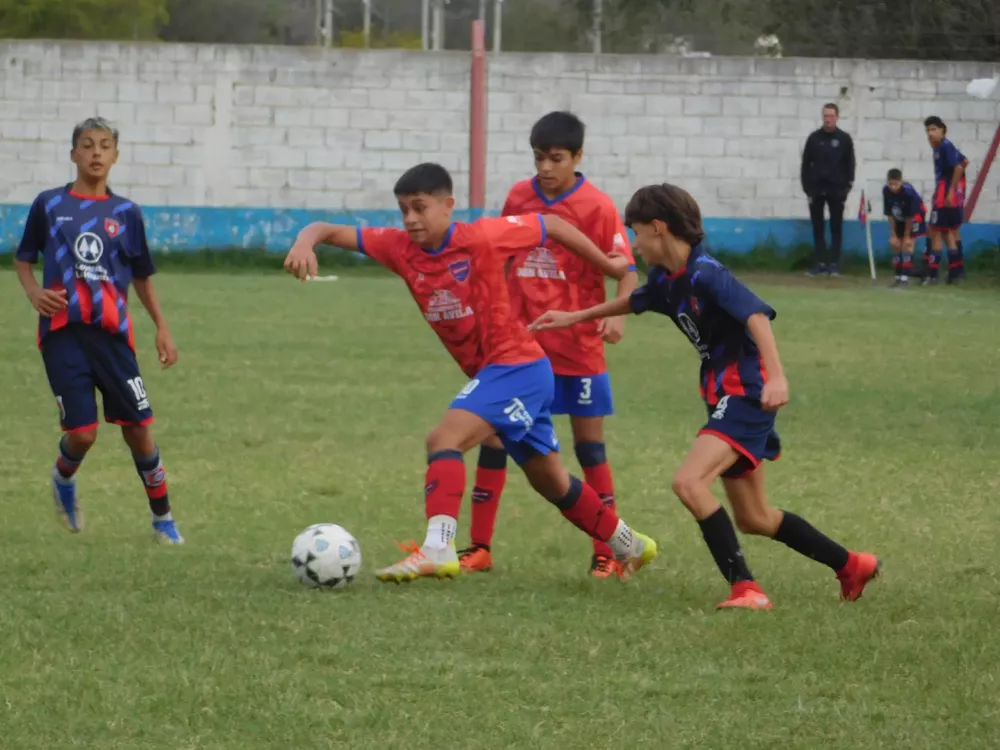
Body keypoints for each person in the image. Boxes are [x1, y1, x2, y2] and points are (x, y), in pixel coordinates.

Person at [282, 163, 657, 584]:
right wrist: (304, 241)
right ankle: (632, 545)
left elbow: (550, 223)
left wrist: (609, 267)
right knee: (551, 481)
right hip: (504, 372)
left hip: (518, 366)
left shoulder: (481, 237)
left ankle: (438, 548)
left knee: (444, 439)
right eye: (404, 209)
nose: (410, 219)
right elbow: (325, 229)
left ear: (448, 206)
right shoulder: (400, 247)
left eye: (420, 208)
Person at [530, 183, 880, 610]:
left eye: (637, 232)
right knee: (755, 518)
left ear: (659, 228)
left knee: (688, 482)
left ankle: (745, 589)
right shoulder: (668, 280)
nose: (634, 244)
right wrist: (575, 317)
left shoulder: (706, 273)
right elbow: (634, 301)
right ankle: (851, 565)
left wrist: (778, 376)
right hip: (722, 397)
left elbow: (755, 315)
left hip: (746, 394)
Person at [460, 111, 638, 579]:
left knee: (589, 448)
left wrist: (620, 313)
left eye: (556, 158)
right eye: (539, 158)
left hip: (578, 345)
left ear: (578, 157)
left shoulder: (597, 207)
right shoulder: (520, 196)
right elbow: (497, 252)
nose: (545, 168)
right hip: (519, 346)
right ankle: (478, 547)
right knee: (494, 437)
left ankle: (609, 550)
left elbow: (627, 267)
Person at [13, 117, 182, 543]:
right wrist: (34, 291)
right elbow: (23, 257)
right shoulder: (49, 204)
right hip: (63, 333)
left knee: (138, 430)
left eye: (105, 146)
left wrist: (162, 327)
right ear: (73, 154)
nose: (96, 153)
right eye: (87, 145)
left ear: (115, 156)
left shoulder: (126, 213)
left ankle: (163, 520)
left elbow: (142, 275)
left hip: (113, 337)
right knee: (83, 434)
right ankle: (63, 479)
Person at [801, 103, 855, 277]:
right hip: (816, 190)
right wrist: (807, 188)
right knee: (818, 227)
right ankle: (820, 263)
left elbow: (850, 164)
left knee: (835, 227)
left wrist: (846, 187)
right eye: (825, 116)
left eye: (831, 116)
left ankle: (834, 264)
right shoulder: (814, 138)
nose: (828, 119)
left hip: (837, 190)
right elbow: (805, 165)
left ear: (837, 117)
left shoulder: (844, 139)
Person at [924, 116, 969, 285]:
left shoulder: (945, 147)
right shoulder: (941, 147)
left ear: (943, 130)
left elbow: (958, 166)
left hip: (945, 194)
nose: (930, 133)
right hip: (943, 193)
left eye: (934, 129)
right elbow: (964, 161)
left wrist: (951, 191)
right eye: (928, 130)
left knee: (936, 230)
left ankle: (933, 274)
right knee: (947, 232)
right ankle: (955, 273)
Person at [882, 168, 927, 288]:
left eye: (895, 184)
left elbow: (909, 217)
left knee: (907, 245)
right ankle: (898, 277)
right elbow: (889, 214)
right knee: (895, 244)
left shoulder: (908, 193)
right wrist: (893, 235)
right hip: (899, 218)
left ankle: (904, 279)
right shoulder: (886, 191)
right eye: (890, 184)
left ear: (901, 182)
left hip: (915, 217)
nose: (893, 187)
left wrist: (907, 237)